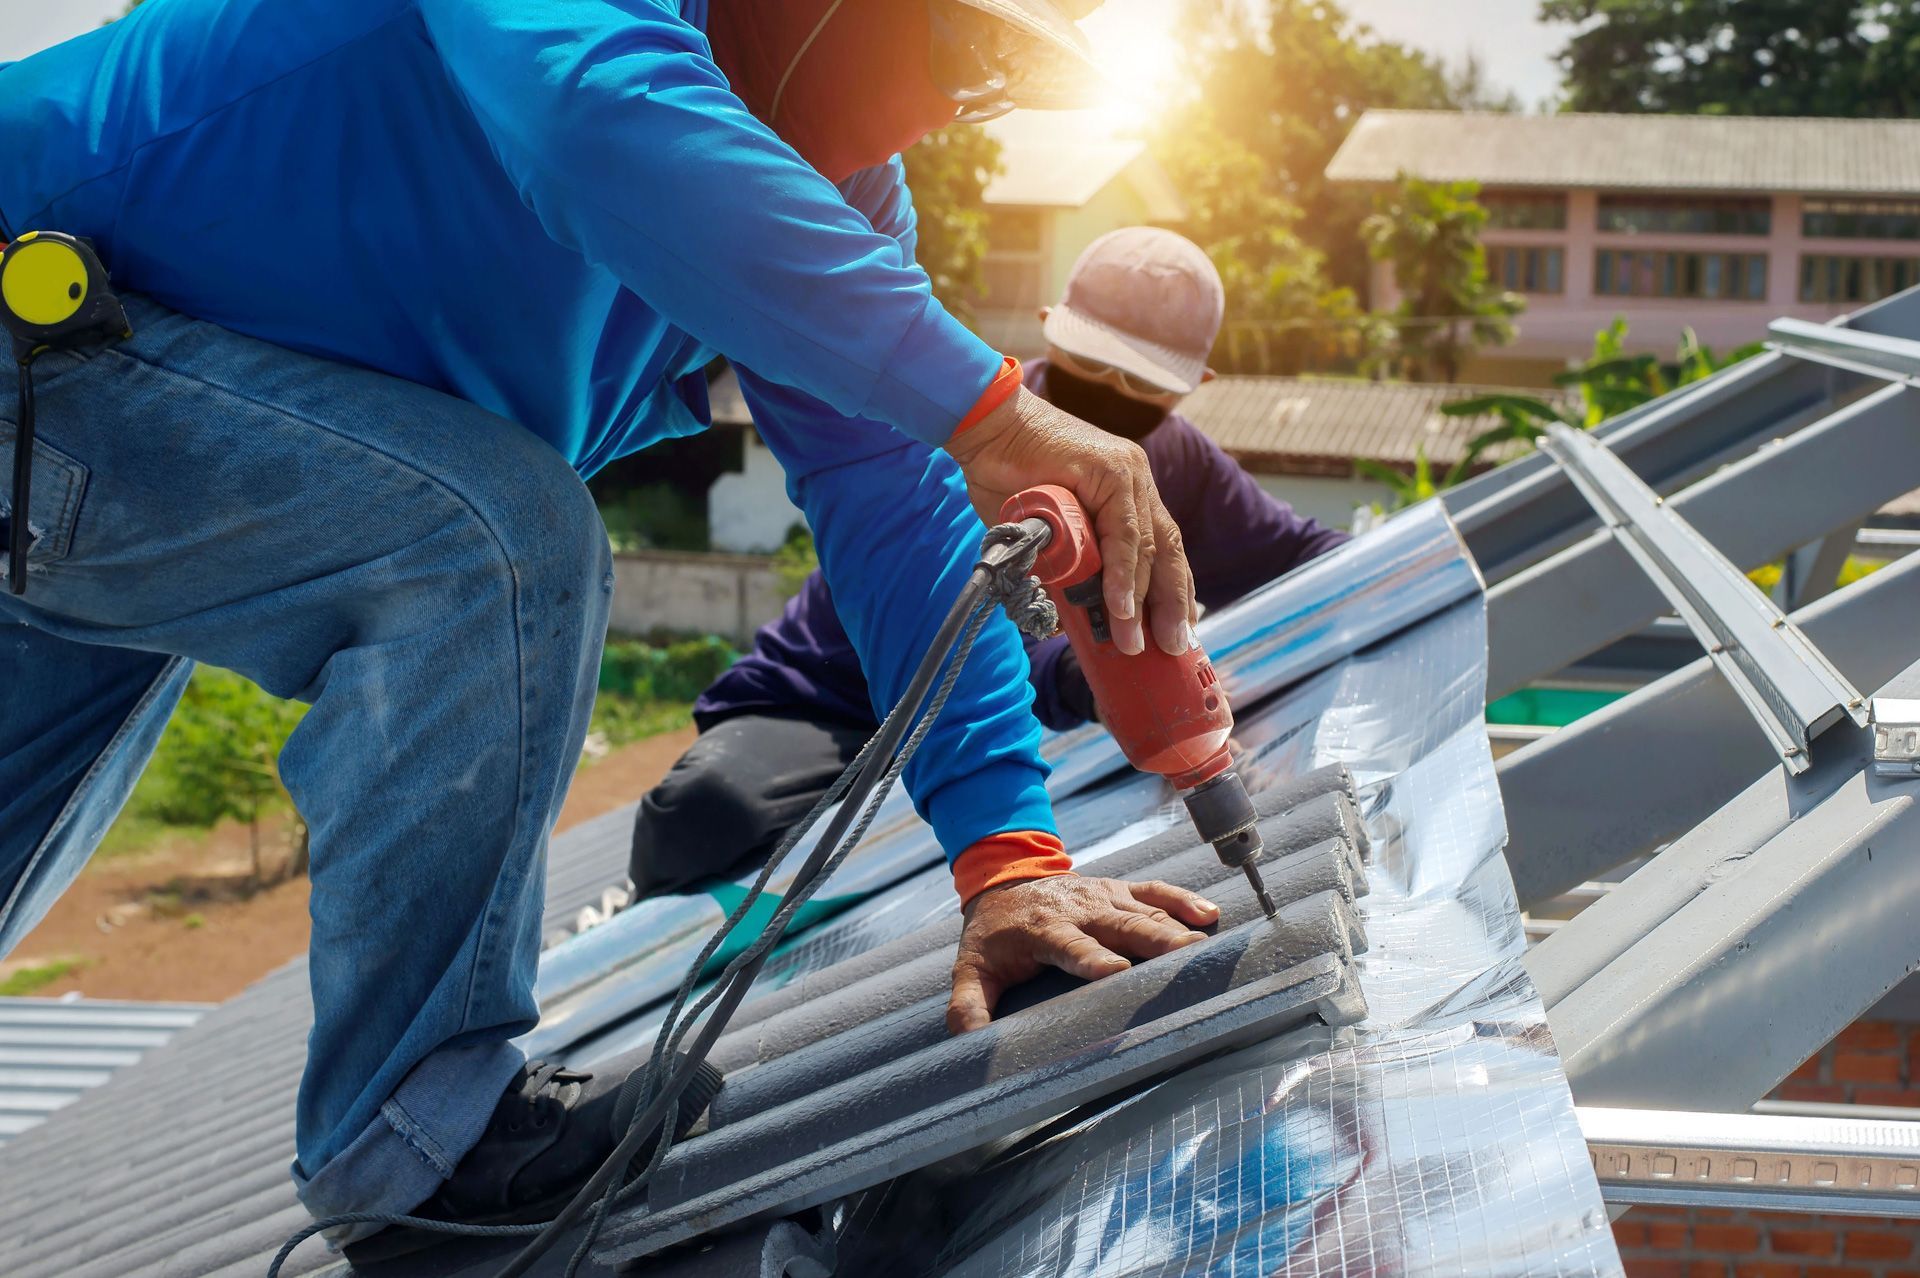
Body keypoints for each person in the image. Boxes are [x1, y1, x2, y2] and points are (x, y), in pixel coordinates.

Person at [0, 0, 1223, 1243]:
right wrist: (989, 407)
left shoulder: (826, 205)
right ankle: (415, 1151)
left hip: (106, 411)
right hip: (47, 329)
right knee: (484, 547)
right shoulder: (609, 54)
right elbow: (595, 117)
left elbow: (893, 507)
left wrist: (1010, 854)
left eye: (1004, 85)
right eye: (971, 50)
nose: (953, 112)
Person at [632, 228, 1349, 906]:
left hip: (1004, 727)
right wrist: (1091, 679)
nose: (1111, 396)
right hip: (836, 708)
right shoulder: (971, 437)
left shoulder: (1177, 465)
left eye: (1142, 382)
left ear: (1196, 384)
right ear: (1046, 325)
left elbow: (1307, 557)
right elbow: (970, 623)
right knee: (702, 817)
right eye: (1093, 364)